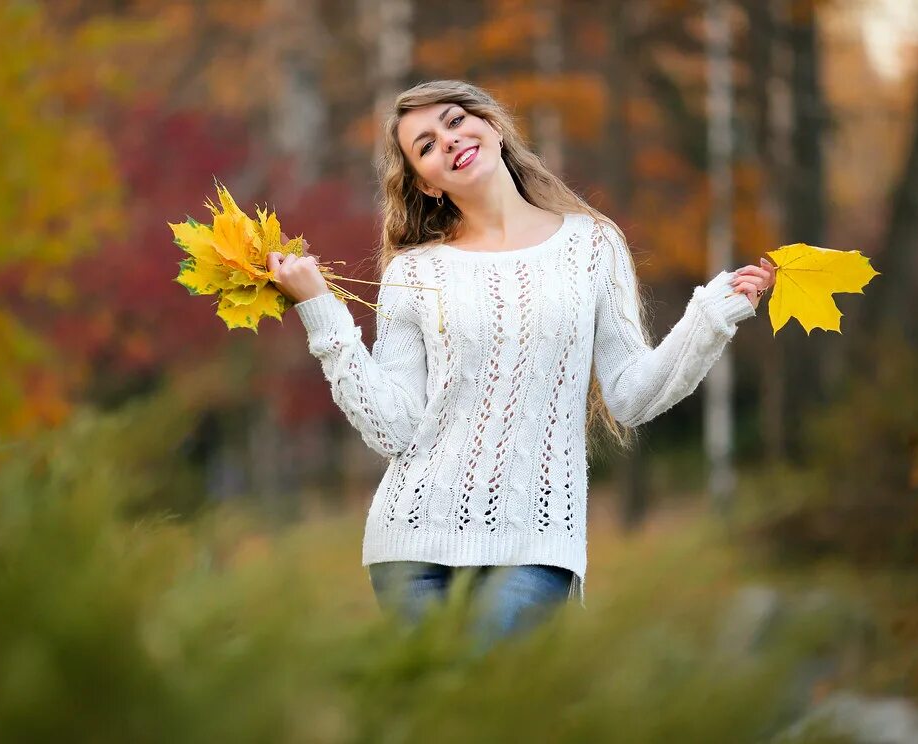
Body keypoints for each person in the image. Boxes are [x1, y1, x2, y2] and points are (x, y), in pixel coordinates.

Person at [265, 80, 774, 654]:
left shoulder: (592, 245)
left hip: (535, 545)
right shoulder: (415, 273)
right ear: (426, 185)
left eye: (456, 120)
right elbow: (394, 428)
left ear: (494, 125)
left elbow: (632, 394)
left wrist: (711, 317)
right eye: (426, 145)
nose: (450, 141)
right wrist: (319, 310)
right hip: (412, 546)